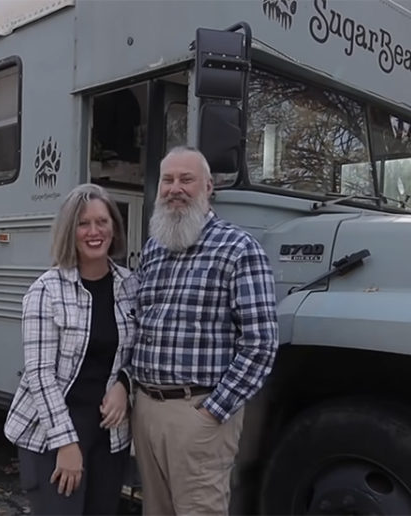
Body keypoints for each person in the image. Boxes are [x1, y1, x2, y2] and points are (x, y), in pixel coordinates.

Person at [125, 147, 278, 515]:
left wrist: (213, 411)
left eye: (186, 179)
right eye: (167, 180)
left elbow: (260, 344)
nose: (175, 188)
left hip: (198, 411)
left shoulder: (239, 249)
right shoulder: (155, 249)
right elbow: (140, 324)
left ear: (208, 187)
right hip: (146, 410)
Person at [4, 183, 137, 515]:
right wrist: (66, 443)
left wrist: (125, 384)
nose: (94, 231)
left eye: (102, 221)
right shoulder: (45, 291)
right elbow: (40, 374)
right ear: (70, 231)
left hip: (110, 436)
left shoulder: (131, 285)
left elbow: (141, 350)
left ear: (114, 227)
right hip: (52, 432)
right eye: (83, 223)